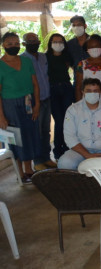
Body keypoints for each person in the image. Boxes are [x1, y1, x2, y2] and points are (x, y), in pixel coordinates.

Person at [0, 32, 41, 183]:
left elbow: (36, 85)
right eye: (10, 44)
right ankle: (20, 173)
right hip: (9, 105)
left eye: (16, 43)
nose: (14, 46)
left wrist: (37, 105)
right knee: (15, 138)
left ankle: (29, 170)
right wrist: (1, 116)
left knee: (29, 133)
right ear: (3, 45)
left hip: (28, 102)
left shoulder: (26, 61)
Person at [58, 78, 101, 170]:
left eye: (95, 91)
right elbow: (70, 137)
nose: (92, 93)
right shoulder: (73, 110)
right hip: (80, 152)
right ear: (82, 91)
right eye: (88, 91)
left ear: (100, 92)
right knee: (65, 163)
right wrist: (87, 155)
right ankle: (78, 184)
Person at [22, 32, 55, 170]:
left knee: (46, 131)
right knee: (36, 132)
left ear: (39, 42)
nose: (33, 43)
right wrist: (33, 104)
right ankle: (38, 162)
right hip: (35, 102)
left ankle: (46, 158)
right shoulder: (22, 60)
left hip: (47, 99)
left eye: (35, 40)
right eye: (29, 41)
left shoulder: (43, 57)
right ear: (24, 44)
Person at [46, 33, 74, 160]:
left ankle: (68, 147)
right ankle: (58, 150)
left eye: (60, 41)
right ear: (50, 44)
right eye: (55, 41)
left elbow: (76, 69)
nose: (58, 44)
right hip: (52, 90)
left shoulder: (67, 56)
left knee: (68, 119)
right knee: (59, 120)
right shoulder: (45, 57)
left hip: (67, 88)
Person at [74, 34, 101, 110]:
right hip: (89, 101)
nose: (94, 49)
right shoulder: (81, 65)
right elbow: (78, 87)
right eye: (91, 47)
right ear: (86, 49)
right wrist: (79, 106)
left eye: (97, 46)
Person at [66, 15, 101, 80]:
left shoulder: (96, 41)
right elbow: (70, 63)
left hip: (98, 80)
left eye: (79, 25)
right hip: (79, 81)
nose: (76, 27)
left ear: (85, 26)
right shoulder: (69, 45)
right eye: (74, 25)